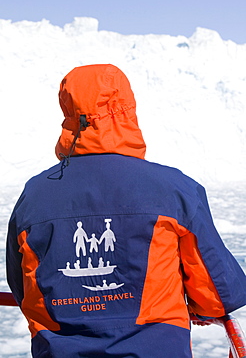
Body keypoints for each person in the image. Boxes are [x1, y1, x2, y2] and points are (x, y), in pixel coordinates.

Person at [6, 64, 246, 358]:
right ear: (128, 110)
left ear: (68, 111)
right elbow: (218, 294)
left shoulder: (34, 195)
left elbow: (22, 285)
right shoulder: (175, 189)